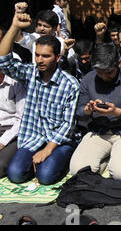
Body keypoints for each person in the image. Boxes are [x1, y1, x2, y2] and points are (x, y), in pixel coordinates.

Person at [0, 12, 80, 185]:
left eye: (46, 56)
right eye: (37, 55)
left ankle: (64, 156)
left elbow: (68, 124)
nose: (40, 60)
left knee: (45, 177)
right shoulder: (30, 73)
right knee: (15, 175)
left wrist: (48, 150)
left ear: (58, 58)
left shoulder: (70, 84)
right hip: (33, 137)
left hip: (57, 140)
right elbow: (4, 61)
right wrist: (14, 27)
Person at [69, 43, 121, 182]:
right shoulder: (89, 79)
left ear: (118, 63)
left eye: (108, 72)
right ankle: (107, 160)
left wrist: (117, 112)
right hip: (100, 131)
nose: (103, 76)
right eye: (99, 73)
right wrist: (87, 110)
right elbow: (79, 112)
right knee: (78, 171)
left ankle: (118, 159)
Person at [0, 70, 26, 178]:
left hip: (12, 131)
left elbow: (22, 119)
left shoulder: (16, 83)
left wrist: (2, 141)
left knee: (1, 165)